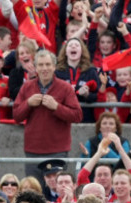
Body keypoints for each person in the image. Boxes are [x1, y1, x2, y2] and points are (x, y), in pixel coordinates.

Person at [13, 50, 83, 180]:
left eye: (48, 64)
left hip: (57, 151)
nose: (44, 68)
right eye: (41, 65)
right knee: (34, 193)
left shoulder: (65, 88)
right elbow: (16, 115)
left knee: (57, 190)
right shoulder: (27, 87)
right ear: (35, 67)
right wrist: (28, 103)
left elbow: (77, 115)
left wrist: (56, 107)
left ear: (54, 67)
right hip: (32, 150)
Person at [55, 38, 100, 123]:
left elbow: (98, 96)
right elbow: (53, 94)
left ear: (82, 51)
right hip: (63, 118)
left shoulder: (91, 71)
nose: (73, 47)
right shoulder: (57, 72)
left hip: (86, 118)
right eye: (70, 45)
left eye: (77, 45)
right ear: (65, 51)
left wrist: (87, 95)